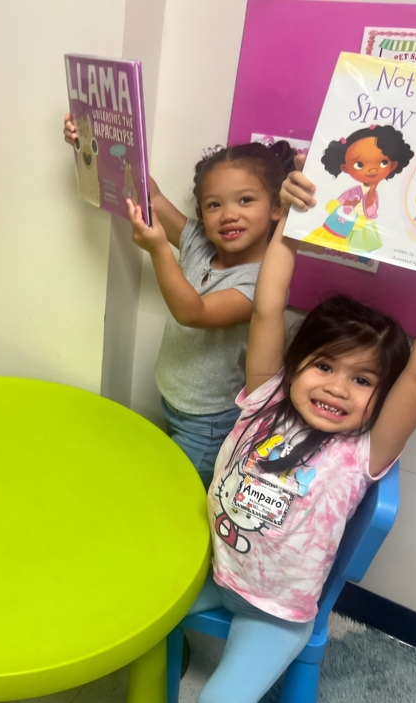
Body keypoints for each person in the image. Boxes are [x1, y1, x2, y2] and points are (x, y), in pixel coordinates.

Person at [184, 160, 416, 703]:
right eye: (326, 366)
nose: (338, 386)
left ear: (380, 398)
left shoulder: (363, 451)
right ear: (295, 365)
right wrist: (291, 222)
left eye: (363, 381)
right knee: (132, 609)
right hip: (214, 566)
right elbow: (266, 306)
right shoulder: (266, 397)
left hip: (275, 613)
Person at [64, 114, 296, 487]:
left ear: (275, 208)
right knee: (163, 480)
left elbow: (193, 312)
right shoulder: (199, 244)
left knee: (179, 493)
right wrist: (91, 140)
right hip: (173, 401)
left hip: (208, 422)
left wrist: (158, 250)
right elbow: (148, 194)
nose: (229, 214)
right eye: (214, 205)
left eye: (246, 200)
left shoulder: (261, 283)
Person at [301, 125, 414, 252]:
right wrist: (349, 204)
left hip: (360, 227)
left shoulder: (376, 194)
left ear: (392, 166)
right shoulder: (354, 190)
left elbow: (370, 212)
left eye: (383, 162)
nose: (372, 169)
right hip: (341, 221)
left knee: (356, 250)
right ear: (345, 168)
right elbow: (340, 202)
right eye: (359, 164)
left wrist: (372, 189)